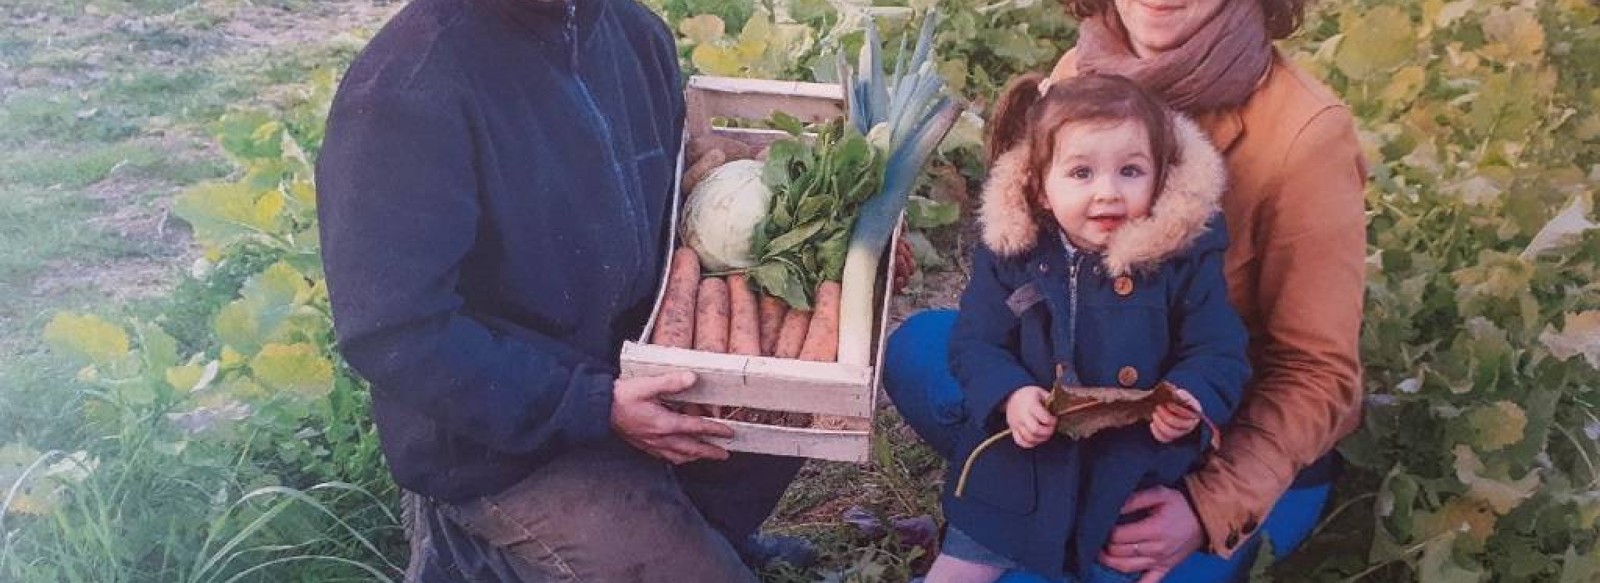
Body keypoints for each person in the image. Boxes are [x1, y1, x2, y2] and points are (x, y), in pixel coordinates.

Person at [315, 0, 809, 580]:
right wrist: (592, 405)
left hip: (638, 376)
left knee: (796, 408)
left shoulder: (632, 32)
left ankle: (702, 535)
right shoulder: (406, 91)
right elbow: (397, 333)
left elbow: (681, 203)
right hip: (508, 441)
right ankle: (472, 554)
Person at [886, 0, 1368, 580]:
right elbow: (1022, 285)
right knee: (919, 350)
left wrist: (1203, 506)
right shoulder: (1080, 70)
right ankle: (1041, 496)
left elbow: (1317, 372)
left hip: (1204, 444)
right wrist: (1015, 395)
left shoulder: (1306, 133)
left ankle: (1073, 520)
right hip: (1082, 407)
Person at [920, 73, 1248, 583]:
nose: (1108, 193)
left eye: (1131, 171)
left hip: (1125, 480)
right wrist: (1011, 395)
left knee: (1113, 561)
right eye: (1081, 173)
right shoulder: (1014, 251)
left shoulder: (1182, 258)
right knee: (961, 569)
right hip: (1015, 473)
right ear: (1041, 189)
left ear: (1160, 179)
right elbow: (976, 342)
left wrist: (1191, 396)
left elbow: (1218, 350)